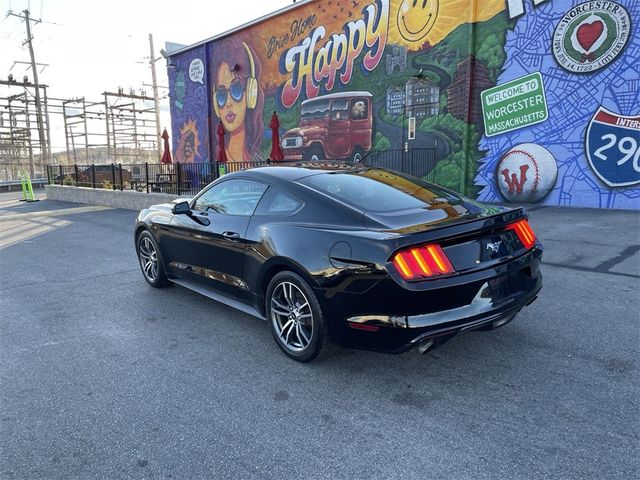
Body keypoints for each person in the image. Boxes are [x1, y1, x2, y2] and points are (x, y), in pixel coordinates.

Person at [210, 37, 264, 162]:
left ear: (251, 92)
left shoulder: (258, 157)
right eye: (222, 95)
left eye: (236, 89)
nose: (228, 103)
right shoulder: (221, 159)